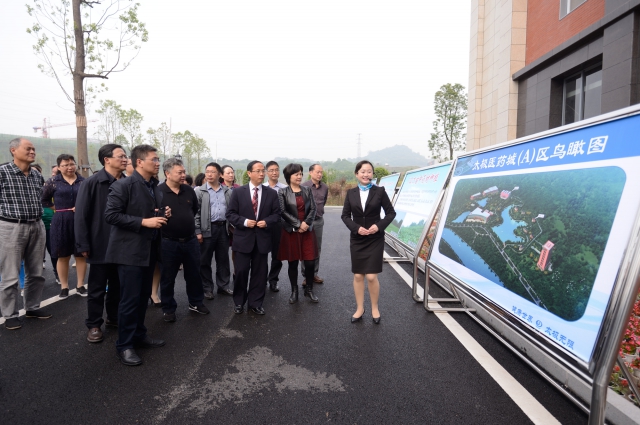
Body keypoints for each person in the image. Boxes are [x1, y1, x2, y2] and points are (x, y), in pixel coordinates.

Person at [104, 144, 168, 366]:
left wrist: (163, 213)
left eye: (158, 159)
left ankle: (139, 335)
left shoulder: (154, 186)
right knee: (130, 300)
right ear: (139, 162)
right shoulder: (123, 185)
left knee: (142, 297)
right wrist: (144, 222)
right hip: (129, 252)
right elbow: (111, 215)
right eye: (154, 159)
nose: (158, 163)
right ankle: (124, 345)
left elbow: (149, 211)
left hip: (149, 249)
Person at [75, 144, 127, 343]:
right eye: (120, 156)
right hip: (100, 243)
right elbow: (81, 215)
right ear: (107, 159)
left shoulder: (128, 182)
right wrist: (82, 244)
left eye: (125, 156)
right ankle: (94, 324)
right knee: (97, 288)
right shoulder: (92, 183)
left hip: (124, 244)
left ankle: (113, 317)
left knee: (117, 285)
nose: (125, 159)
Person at [0, 138, 52, 330]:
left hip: (36, 225)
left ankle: (32, 307)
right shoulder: (2, 172)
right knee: (10, 275)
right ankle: (10, 315)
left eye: (34, 149)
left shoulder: (36, 175)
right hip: (11, 226)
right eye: (28, 148)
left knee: (36, 272)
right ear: (13, 150)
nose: (32, 152)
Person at [341, 160, 396, 324]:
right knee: (358, 275)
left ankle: (374, 308)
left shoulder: (380, 191)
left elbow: (391, 213)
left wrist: (378, 226)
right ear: (357, 174)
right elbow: (345, 216)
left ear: (372, 174)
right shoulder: (351, 193)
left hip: (374, 239)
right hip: (358, 238)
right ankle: (360, 308)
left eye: (369, 171)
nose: (366, 174)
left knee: (371, 277)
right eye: (363, 171)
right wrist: (356, 228)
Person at [226, 160, 280, 315]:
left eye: (263, 171)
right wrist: (244, 222)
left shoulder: (271, 193)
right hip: (243, 239)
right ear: (249, 173)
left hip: (262, 240)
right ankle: (239, 302)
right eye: (258, 171)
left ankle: (255, 303)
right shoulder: (238, 192)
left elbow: (277, 214)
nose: (262, 174)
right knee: (241, 272)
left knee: (260, 274)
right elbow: (230, 214)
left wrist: (267, 222)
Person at [159, 158, 209, 322]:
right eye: (179, 172)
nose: (183, 175)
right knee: (168, 277)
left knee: (194, 274)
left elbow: (193, 210)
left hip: (190, 241)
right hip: (168, 242)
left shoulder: (188, 190)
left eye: (184, 172)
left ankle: (196, 302)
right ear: (167, 173)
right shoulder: (158, 192)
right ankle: (168, 308)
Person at [42, 154, 87, 298]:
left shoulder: (84, 181)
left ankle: (80, 285)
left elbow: (90, 199)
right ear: (59, 167)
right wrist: (58, 208)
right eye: (65, 165)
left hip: (81, 221)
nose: (69, 167)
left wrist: (81, 207)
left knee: (81, 254)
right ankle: (64, 286)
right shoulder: (53, 182)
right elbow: (44, 200)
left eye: (72, 164)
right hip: (60, 220)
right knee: (62, 255)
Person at [277, 163, 319, 303]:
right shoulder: (282, 192)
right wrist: (298, 224)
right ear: (289, 176)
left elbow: (313, 208)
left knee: (310, 262)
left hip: (307, 230)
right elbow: (282, 211)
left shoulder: (307, 190)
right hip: (291, 231)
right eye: (296, 174)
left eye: (301, 173)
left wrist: (306, 223)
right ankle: (294, 291)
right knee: (293, 262)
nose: (299, 176)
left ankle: (309, 289)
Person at [195, 162, 232, 300]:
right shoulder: (200, 191)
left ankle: (223, 286)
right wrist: (198, 231)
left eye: (213, 172)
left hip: (223, 228)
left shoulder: (227, 191)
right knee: (204, 260)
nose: (209, 174)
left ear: (220, 175)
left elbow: (231, 211)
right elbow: (196, 213)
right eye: (207, 171)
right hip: (207, 228)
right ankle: (207, 288)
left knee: (223, 259)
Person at [301, 164, 328, 285]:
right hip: (306, 222)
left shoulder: (325, 187)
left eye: (321, 172)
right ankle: (306, 276)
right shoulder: (303, 187)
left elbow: (323, 202)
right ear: (310, 172)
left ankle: (314, 274)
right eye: (317, 172)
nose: (320, 174)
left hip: (318, 221)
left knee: (317, 248)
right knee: (306, 248)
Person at [264, 161, 287, 292]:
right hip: (263, 225)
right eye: (271, 170)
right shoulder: (261, 187)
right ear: (266, 172)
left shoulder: (284, 188)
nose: (274, 172)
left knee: (277, 255)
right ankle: (261, 279)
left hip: (279, 225)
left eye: (276, 170)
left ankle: (273, 280)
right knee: (261, 254)